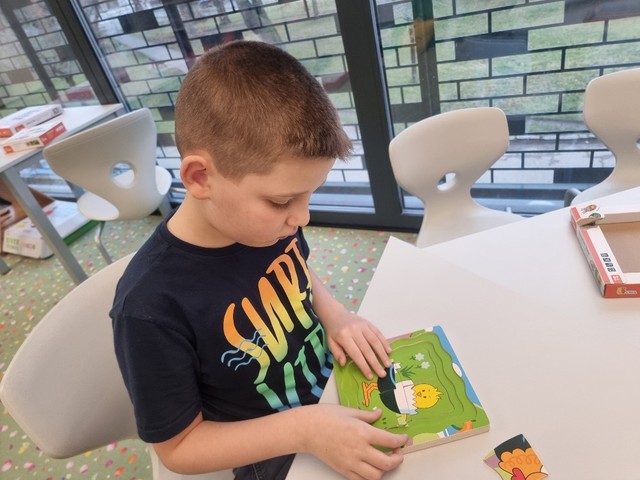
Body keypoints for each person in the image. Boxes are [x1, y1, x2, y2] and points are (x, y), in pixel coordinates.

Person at [110, 40, 408, 480]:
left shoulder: (265, 225)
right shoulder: (149, 308)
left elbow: (296, 270)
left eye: (309, 195)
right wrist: (304, 429)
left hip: (333, 391)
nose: (302, 218)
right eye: (283, 200)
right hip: (274, 448)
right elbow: (179, 448)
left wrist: (336, 315)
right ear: (200, 177)